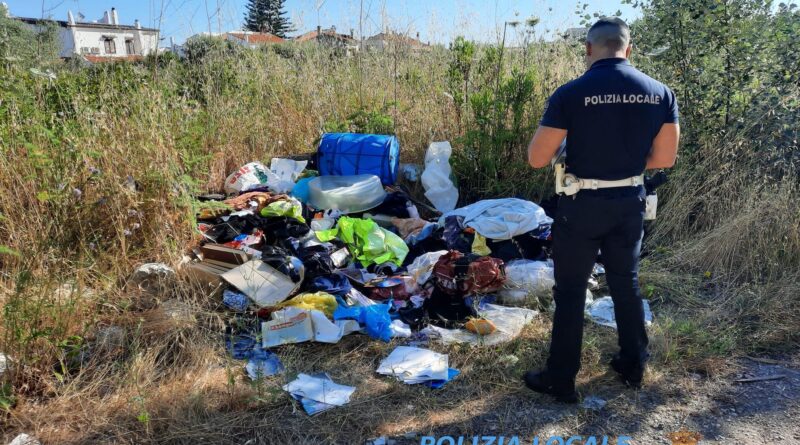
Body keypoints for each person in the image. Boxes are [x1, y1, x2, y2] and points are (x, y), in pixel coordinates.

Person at [524, 17, 680, 403]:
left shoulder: (571, 92)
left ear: (589, 50)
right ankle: (633, 365)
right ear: (629, 49)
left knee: (572, 290)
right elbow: (665, 158)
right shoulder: (660, 93)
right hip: (630, 202)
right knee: (625, 283)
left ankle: (560, 379)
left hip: (582, 204)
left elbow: (536, 158)